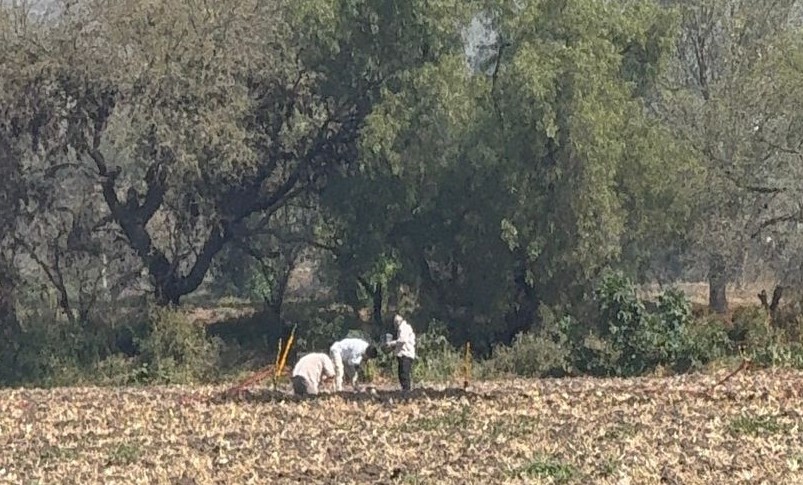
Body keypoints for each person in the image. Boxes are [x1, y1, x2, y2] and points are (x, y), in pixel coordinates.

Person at [385, 314, 416, 392]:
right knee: (401, 373)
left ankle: (407, 390)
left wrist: (391, 343)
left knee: (404, 373)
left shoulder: (404, 328)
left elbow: (402, 340)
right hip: (403, 354)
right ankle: (405, 389)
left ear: (397, 322)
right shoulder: (401, 329)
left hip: (406, 354)